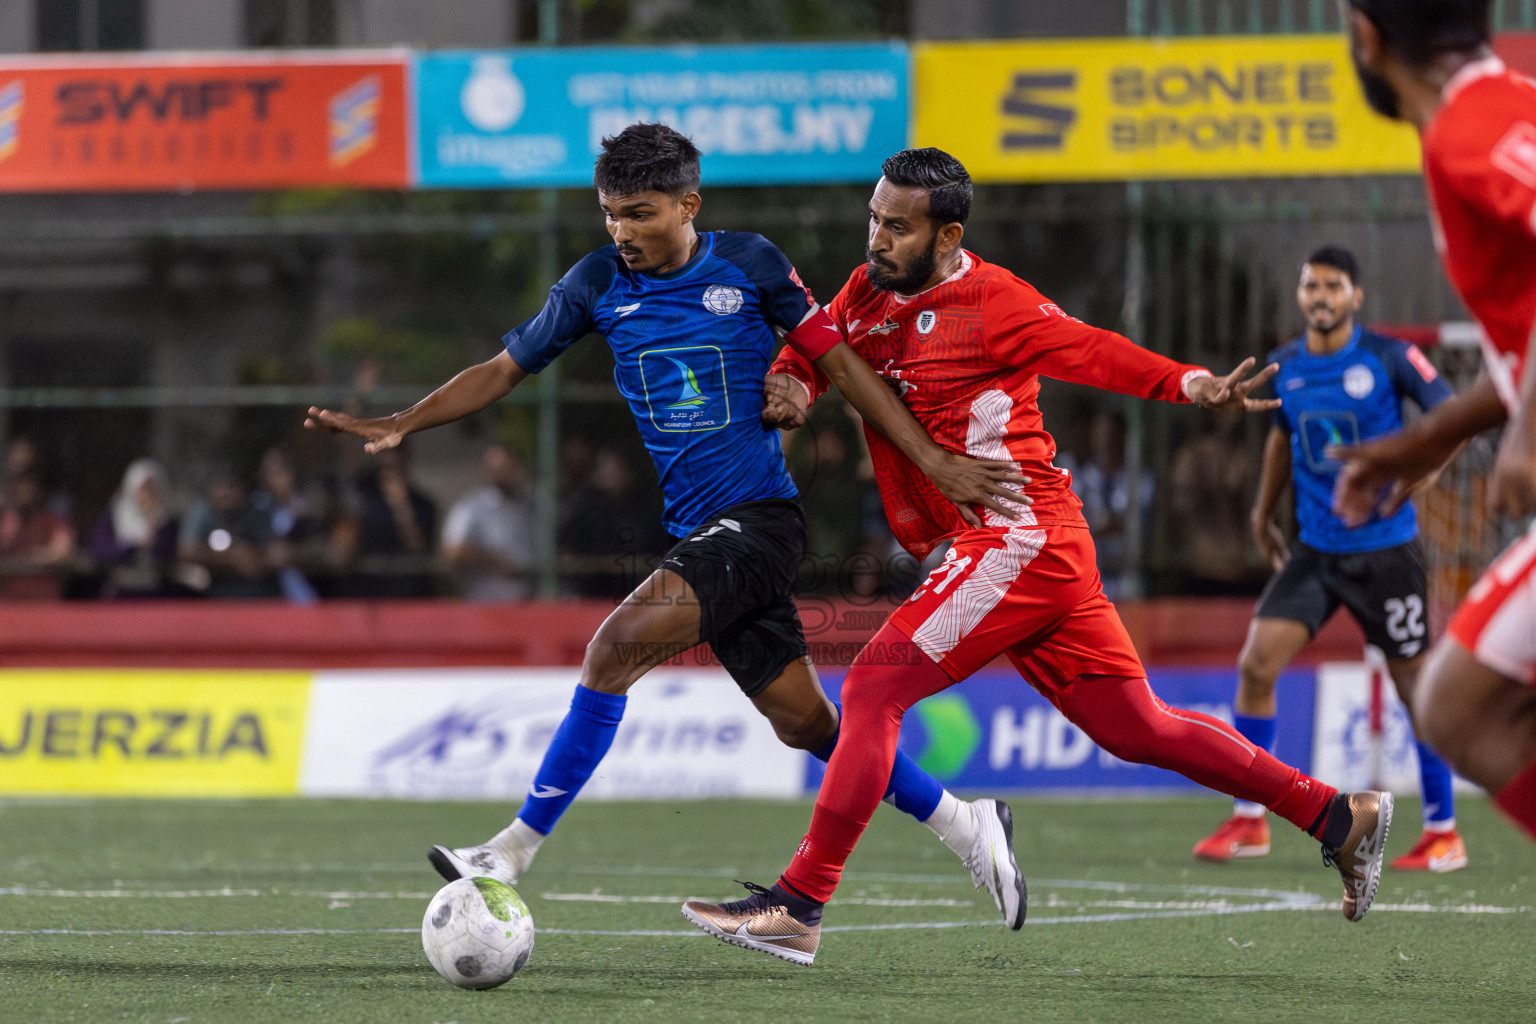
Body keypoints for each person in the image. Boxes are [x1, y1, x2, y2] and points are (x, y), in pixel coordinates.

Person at [681, 148, 1395, 967]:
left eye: (898, 226)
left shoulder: (995, 300)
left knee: (874, 686)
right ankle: (1338, 816)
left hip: (1017, 534)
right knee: (1140, 728)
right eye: (875, 217)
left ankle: (800, 904)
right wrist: (792, 382)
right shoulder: (868, 287)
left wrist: (1188, 382)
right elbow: (818, 347)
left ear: (948, 235)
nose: (877, 237)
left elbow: (1093, 350)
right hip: (1032, 547)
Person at [304, 123, 1031, 923]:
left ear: (689, 204)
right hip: (701, 533)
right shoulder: (595, 284)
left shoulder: (750, 264)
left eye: (640, 214)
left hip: (758, 522)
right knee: (805, 723)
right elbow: (501, 371)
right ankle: (965, 822)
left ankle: (509, 849)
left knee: (611, 651)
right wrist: (406, 421)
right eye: (611, 213)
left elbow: (842, 364)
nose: (622, 232)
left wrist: (930, 459)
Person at [1332, 0, 1536, 841]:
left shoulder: (1468, 129)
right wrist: (1425, 438)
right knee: (1460, 699)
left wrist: (1527, 435)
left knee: (1459, 703)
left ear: (1366, 37)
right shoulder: (1499, 110)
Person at [1193, 246, 1465, 871]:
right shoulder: (1286, 366)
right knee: (1257, 666)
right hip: (1317, 552)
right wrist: (1263, 514)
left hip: (1387, 552)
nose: (1320, 296)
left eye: (1333, 286)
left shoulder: (1391, 358)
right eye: (1311, 285)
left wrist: (1419, 477)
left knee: (1414, 689)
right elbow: (1281, 441)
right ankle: (1249, 821)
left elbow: (1452, 416)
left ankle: (1445, 831)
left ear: (1355, 297)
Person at [442, 442, 536, 601]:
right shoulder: (472, 507)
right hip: (486, 605)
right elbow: (454, 551)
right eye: (495, 469)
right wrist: (497, 562)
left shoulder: (532, 507)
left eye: (506, 467)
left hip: (528, 603)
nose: (501, 474)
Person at [89, 458, 187, 599]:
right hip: (120, 591)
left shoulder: (165, 521)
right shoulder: (114, 515)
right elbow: (99, 552)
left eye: (153, 487)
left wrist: (155, 528)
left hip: (155, 592)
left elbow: (168, 558)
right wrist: (132, 546)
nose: (148, 493)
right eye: (144, 488)